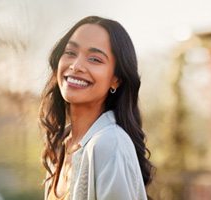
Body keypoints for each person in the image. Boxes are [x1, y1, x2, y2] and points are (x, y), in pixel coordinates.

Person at [40, 15, 154, 200]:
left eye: (94, 59)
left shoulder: (109, 144)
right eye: (70, 52)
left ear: (116, 79)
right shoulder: (61, 144)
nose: (76, 66)